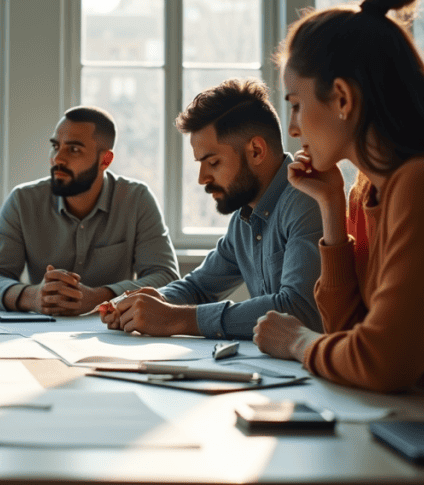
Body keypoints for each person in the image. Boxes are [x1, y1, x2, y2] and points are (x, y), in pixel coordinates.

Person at [253, 0, 424, 422]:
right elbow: (352, 333)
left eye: (297, 105)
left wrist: (297, 342)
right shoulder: (371, 190)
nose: (293, 128)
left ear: (342, 99)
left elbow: (382, 361)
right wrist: (329, 203)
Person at [99, 79, 323, 339]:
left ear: (256, 150)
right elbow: (199, 287)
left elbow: (299, 309)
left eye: (213, 162)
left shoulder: (306, 198)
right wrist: (149, 303)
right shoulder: (245, 217)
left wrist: (177, 319)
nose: (202, 178)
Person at [0, 106, 179, 315]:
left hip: (114, 333)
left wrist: (99, 297)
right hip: (39, 332)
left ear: (105, 160)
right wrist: (33, 297)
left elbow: (167, 277)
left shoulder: (137, 200)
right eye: (55, 146)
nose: (58, 159)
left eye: (73, 150)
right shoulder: (22, 201)